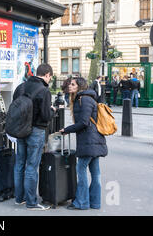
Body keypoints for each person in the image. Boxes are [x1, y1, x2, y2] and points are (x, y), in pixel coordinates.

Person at [59, 77, 108, 210]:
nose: (70, 86)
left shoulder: (84, 99)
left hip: (89, 141)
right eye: (70, 84)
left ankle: (82, 202)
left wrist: (66, 130)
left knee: (81, 170)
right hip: (95, 140)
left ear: (80, 86)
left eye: (73, 85)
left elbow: (84, 122)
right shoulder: (88, 98)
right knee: (95, 172)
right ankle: (95, 202)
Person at [12, 63, 56, 210]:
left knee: (19, 164)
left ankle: (19, 198)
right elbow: (45, 116)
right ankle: (31, 202)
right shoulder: (44, 91)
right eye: (50, 77)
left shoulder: (21, 87)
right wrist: (52, 110)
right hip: (36, 131)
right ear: (47, 74)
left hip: (20, 130)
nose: (49, 80)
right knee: (31, 166)